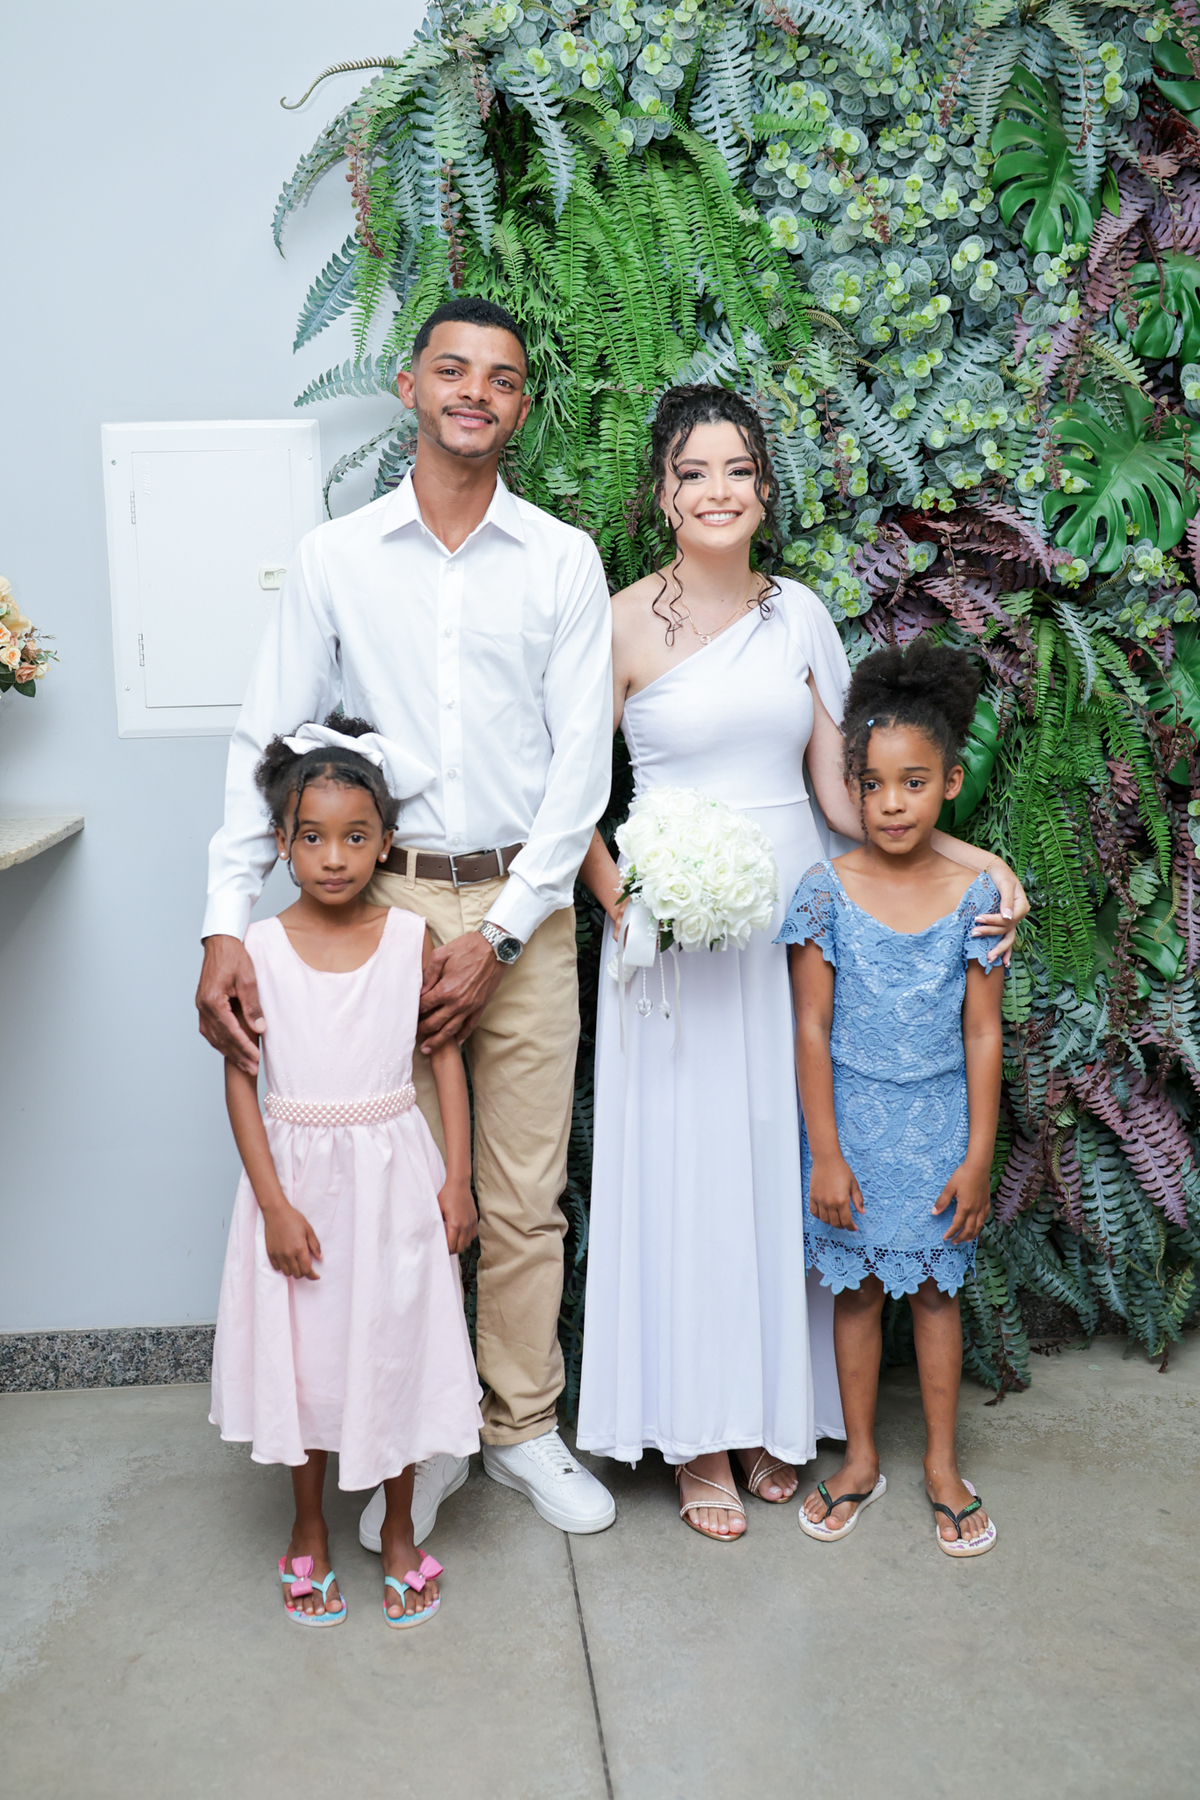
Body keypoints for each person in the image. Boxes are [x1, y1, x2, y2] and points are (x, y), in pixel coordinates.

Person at [197, 295, 617, 1542]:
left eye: (501, 377)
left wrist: (502, 933)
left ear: (521, 406)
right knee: (396, 1198)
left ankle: (520, 1425)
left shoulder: (562, 560)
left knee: (523, 1192)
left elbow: (580, 771)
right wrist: (225, 921)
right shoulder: (337, 558)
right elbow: (265, 742)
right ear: (410, 386)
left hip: (525, 901)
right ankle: (416, 1436)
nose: (475, 391)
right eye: (453, 369)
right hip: (381, 908)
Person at [575, 385, 1024, 1541]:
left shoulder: (801, 618)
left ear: (765, 490)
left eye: (737, 469)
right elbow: (568, 798)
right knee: (690, 1180)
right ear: (662, 494)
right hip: (675, 947)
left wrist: (981, 860)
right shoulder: (618, 624)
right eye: (692, 472)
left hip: (789, 930)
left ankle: (775, 1413)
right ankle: (697, 1440)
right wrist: (628, 912)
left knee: (781, 1173)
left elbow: (845, 795)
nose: (716, 490)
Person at [210, 717, 483, 1625]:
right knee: (308, 1361)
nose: (334, 858)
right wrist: (274, 1207)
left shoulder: (410, 938)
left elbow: (445, 1058)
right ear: (281, 843)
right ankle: (308, 1528)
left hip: (395, 1181)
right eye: (314, 838)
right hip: (298, 1187)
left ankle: (399, 1530)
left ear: (386, 843)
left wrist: (456, 1181)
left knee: (394, 1349)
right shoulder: (255, 948)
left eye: (356, 837)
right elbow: (241, 1084)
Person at [782, 640, 1003, 1557]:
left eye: (913, 783)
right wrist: (827, 1154)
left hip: (941, 1131)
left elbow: (983, 1033)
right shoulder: (824, 893)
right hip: (854, 1135)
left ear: (949, 784)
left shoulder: (977, 895)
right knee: (860, 1294)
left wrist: (979, 1157)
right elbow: (810, 1029)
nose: (892, 804)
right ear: (852, 790)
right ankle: (861, 1458)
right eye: (872, 786)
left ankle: (944, 1466)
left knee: (939, 1298)